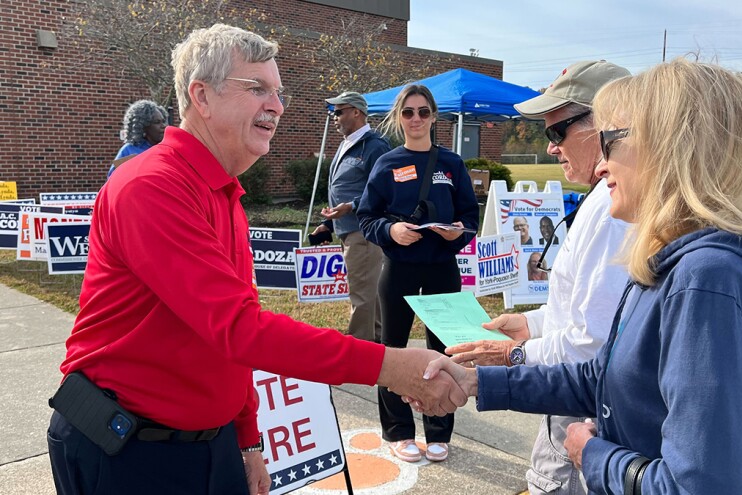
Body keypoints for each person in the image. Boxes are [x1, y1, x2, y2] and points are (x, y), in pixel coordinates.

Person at [47, 24, 466, 495]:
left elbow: (230, 340)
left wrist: (247, 442)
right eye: (257, 88)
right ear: (201, 96)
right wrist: (390, 365)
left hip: (206, 443)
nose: (277, 105)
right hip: (127, 451)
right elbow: (239, 328)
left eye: (279, 92)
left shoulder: (222, 192)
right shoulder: (152, 186)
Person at [426, 58, 742, 494]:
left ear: (672, 148)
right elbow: (603, 374)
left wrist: (592, 455)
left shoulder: (706, 281)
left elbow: (697, 486)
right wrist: (477, 382)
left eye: (611, 142)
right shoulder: (679, 260)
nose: (602, 166)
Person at [446, 60, 631, 494]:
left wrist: (515, 354)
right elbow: (581, 307)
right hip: (575, 393)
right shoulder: (604, 199)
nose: (550, 148)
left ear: (608, 124)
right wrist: (530, 324)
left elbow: (595, 341)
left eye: (556, 132)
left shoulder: (614, 209)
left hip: (582, 406)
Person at [358, 84, 479, 464]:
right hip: (399, 269)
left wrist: (457, 233)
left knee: (445, 350)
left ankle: (439, 426)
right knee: (391, 348)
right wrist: (391, 231)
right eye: (408, 112)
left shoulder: (452, 164)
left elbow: (470, 219)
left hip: (442, 268)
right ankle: (398, 430)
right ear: (399, 117)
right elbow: (367, 217)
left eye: (423, 112)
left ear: (433, 117)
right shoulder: (387, 163)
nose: (415, 119)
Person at [310, 91, 390, 342]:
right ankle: (376, 344)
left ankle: (360, 348)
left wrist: (353, 206)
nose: (334, 117)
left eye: (339, 111)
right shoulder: (348, 143)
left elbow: (384, 190)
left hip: (363, 231)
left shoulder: (374, 145)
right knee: (368, 293)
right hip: (348, 229)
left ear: (357, 112)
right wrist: (327, 223)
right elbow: (342, 188)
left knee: (362, 294)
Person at [108, 100, 168, 178]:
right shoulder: (129, 150)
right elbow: (113, 180)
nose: (163, 126)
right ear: (143, 126)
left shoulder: (167, 148)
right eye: (157, 122)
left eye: (163, 121)